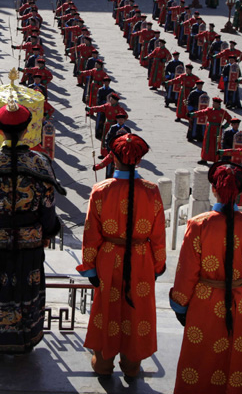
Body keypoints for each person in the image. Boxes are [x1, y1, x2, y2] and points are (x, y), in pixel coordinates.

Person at [0, 101, 65, 354]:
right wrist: (46, 233)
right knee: (25, 291)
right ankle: (25, 337)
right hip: (29, 243)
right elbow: (49, 206)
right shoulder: (40, 163)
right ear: (27, 128)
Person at [170, 161, 242, 393]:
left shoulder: (198, 224)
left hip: (204, 301)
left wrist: (180, 305)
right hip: (240, 302)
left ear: (215, 189)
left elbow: (186, 272)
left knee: (198, 359)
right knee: (235, 360)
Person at [78, 133, 166, 377]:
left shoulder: (101, 190)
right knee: (136, 310)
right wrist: (158, 266)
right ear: (138, 161)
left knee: (106, 308)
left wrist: (90, 267)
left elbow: (91, 234)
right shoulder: (152, 191)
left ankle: (103, 362)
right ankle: (132, 364)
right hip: (140, 257)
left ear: (113, 158)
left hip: (108, 256)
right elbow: (158, 235)